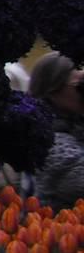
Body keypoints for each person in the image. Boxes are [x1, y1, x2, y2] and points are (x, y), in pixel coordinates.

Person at [29, 51, 84, 209]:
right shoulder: (46, 137)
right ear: (52, 91)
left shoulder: (75, 125)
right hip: (58, 230)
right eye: (80, 86)